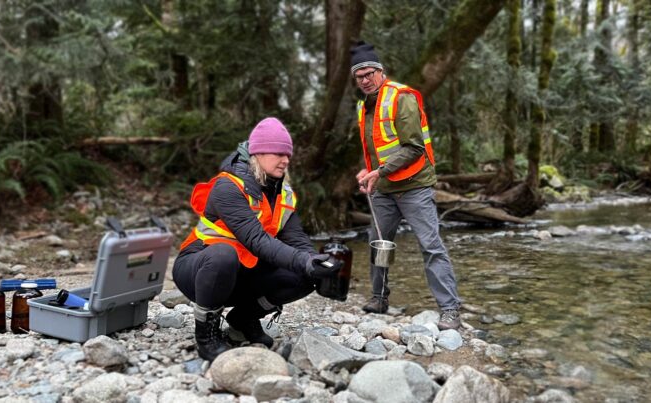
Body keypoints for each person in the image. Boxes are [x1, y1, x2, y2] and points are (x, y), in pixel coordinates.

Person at [173, 117, 342, 361]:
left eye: (287, 154)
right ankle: (207, 336)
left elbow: (297, 239)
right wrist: (303, 260)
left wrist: (319, 263)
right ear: (258, 154)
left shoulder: (282, 193)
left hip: (243, 272)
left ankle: (243, 319)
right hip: (200, 270)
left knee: (305, 275)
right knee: (224, 255)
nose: (285, 160)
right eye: (278, 153)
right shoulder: (228, 187)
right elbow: (257, 240)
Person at [350, 41, 462, 330]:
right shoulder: (364, 107)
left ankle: (450, 310)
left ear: (380, 72)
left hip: (414, 186)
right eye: (359, 76)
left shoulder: (401, 98)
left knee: (431, 246)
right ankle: (379, 298)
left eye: (368, 74)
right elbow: (376, 149)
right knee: (379, 244)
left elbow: (414, 148)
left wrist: (380, 171)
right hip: (384, 188)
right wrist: (368, 171)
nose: (364, 80)